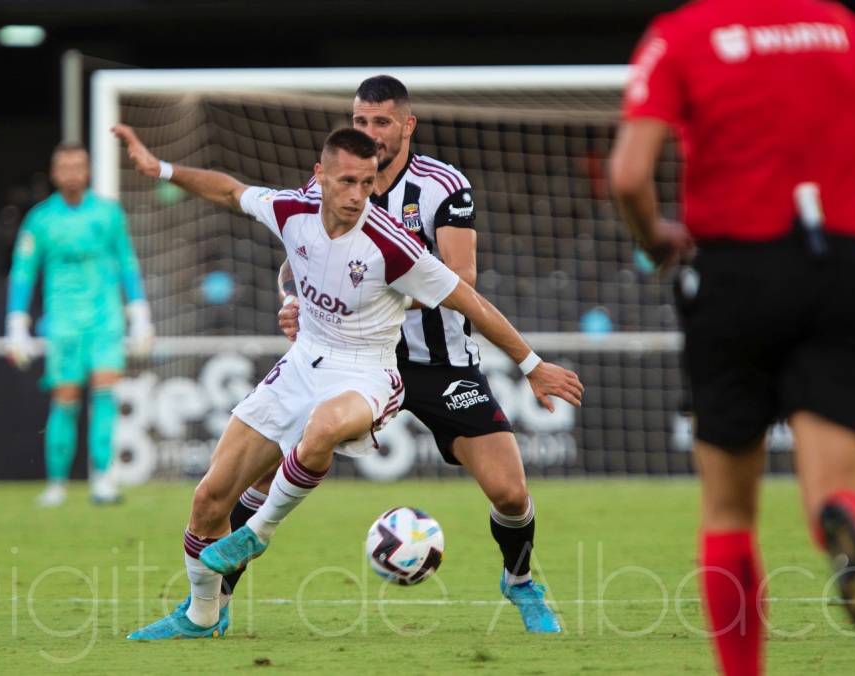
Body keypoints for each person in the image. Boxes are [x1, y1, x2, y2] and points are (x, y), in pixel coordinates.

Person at [110, 123, 583, 640]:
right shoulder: (292, 210)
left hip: (371, 370)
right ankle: (202, 616)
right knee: (207, 501)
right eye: (346, 182)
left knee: (331, 427)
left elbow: (470, 301)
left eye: (366, 182)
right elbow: (228, 190)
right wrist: (162, 169)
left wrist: (532, 364)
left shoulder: (392, 244)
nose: (357, 194)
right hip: (303, 363)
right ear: (320, 176)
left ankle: (259, 532)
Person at [610, 3, 855, 675]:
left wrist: (654, 239)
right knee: (834, 480)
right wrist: (845, 240)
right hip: (837, 270)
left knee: (728, 506)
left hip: (732, 272)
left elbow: (628, 175)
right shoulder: (839, 28)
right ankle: (840, 518)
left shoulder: (681, 35)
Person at [222, 74, 563, 633]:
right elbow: (299, 260)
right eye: (360, 121)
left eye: (381, 122)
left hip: (439, 362)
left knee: (510, 490)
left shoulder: (442, 185)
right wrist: (292, 298)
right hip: (345, 362)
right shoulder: (333, 183)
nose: (370, 132)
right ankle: (214, 601)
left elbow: (462, 278)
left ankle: (520, 580)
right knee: (261, 478)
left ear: (407, 126)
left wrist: (362, 304)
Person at [5, 141, 155, 508]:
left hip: (105, 320)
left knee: (105, 394)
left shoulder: (108, 214)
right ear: (55, 173)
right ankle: (56, 483)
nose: (71, 173)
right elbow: (23, 273)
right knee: (66, 399)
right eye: (64, 167)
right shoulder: (40, 219)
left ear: (87, 171)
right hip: (63, 324)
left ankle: (102, 480)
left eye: (78, 166)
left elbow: (126, 263)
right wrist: (16, 324)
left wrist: (139, 314)